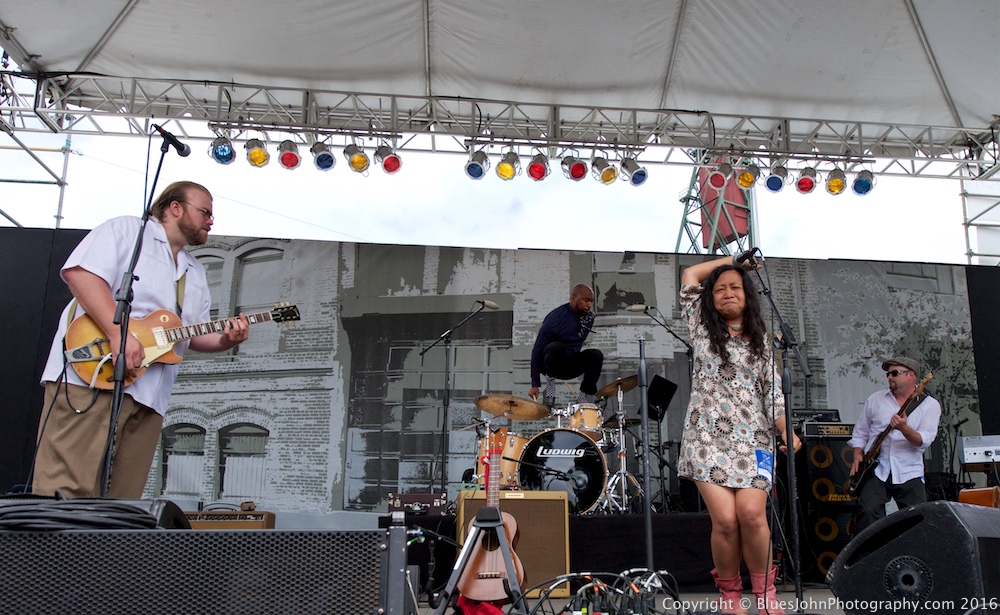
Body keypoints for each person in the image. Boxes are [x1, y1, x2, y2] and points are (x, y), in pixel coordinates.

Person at [32, 181, 250, 500]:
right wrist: (119, 334)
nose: (211, 221)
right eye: (205, 212)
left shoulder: (195, 271)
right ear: (175, 208)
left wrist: (225, 341)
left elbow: (190, 333)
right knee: (66, 489)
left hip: (149, 396)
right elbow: (82, 274)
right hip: (93, 374)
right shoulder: (128, 232)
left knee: (122, 500)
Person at [677, 255, 800, 615]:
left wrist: (787, 430)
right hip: (707, 439)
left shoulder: (762, 342)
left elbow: (773, 395)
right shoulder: (701, 326)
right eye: (719, 289)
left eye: (735, 287)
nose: (727, 293)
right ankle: (730, 597)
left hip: (754, 441)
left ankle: (765, 594)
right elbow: (690, 273)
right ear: (710, 298)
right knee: (726, 521)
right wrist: (736, 262)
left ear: (747, 295)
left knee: (751, 515)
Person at [848, 356, 940, 534]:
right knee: (868, 513)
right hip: (876, 468)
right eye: (888, 374)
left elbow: (924, 440)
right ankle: (872, 551)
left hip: (909, 470)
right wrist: (858, 454)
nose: (890, 377)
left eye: (895, 373)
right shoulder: (875, 399)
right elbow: (861, 432)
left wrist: (904, 428)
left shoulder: (929, 405)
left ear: (911, 375)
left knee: (917, 520)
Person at [528, 283, 603, 406]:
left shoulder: (589, 317)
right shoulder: (555, 318)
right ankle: (550, 392)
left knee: (596, 355)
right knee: (556, 346)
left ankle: (582, 399)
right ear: (573, 298)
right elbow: (537, 351)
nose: (589, 305)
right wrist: (534, 384)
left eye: (591, 301)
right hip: (550, 363)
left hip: (570, 362)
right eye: (585, 300)